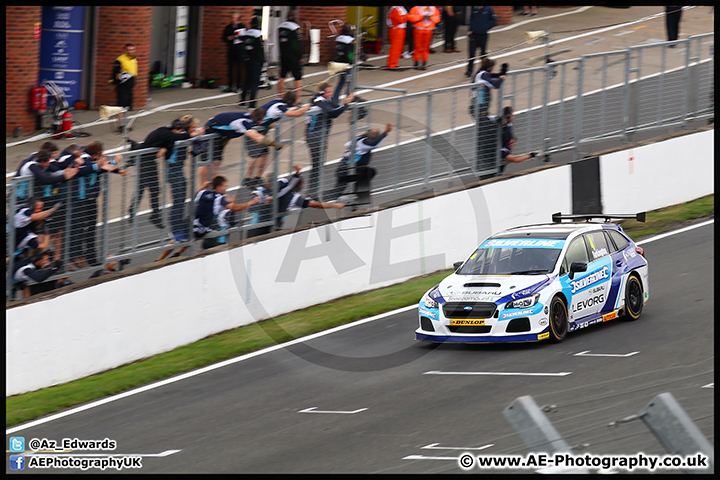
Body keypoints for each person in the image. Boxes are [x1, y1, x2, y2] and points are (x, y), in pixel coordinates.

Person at [127, 119, 206, 228]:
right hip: (143, 161)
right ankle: (132, 212)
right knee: (142, 188)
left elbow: (169, 148)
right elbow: (180, 138)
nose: (181, 133)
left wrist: (164, 148)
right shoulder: (165, 132)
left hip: (150, 161)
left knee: (155, 189)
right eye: (181, 131)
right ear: (176, 129)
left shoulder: (168, 135)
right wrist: (195, 133)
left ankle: (155, 215)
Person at [67, 141, 126, 270]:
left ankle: (91, 257)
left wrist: (117, 168)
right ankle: (76, 256)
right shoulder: (84, 159)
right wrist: (111, 163)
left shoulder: (93, 161)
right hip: (81, 200)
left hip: (91, 199)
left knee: (90, 229)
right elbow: (83, 170)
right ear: (97, 153)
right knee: (80, 228)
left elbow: (101, 169)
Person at [246, 165, 345, 238]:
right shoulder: (294, 197)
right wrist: (334, 205)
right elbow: (315, 205)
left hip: (255, 226)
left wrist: (297, 173)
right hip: (272, 228)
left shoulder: (277, 185)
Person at [243, 91, 311, 188]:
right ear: (291, 101)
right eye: (296, 100)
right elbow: (296, 114)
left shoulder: (279, 102)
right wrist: (308, 106)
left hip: (260, 131)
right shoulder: (279, 107)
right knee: (254, 155)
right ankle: (248, 179)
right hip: (253, 131)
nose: (298, 101)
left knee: (264, 154)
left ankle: (257, 178)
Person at [204, 108, 285, 186]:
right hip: (210, 131)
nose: (262, 121)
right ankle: (205, 188)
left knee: (217, 162)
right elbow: (256, 137)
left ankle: (213, 187)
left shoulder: (250, 118)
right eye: (261, 119)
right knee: (208, 162)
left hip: (220, 132)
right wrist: (274, 144)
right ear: (256, 118)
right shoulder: (242, 122)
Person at [304, 76, 355, 199]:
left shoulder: (324, 100)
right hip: (315, 136)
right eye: (329, 91)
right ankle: (312, 192)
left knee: (318, 164)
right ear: (322, 92)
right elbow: (334, 113)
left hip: (319, 136)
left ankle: (313, 191)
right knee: (317, 165)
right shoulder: (318, 101)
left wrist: (347, 103)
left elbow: (335, 107)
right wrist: (346, 104)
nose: (331, 94)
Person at [325, 123, 392, 201]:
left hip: (343, 169)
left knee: (337, 192)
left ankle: (358, 194)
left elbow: (346, 145)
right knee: (368, 173)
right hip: (350, 170)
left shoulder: (358, 138)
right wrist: (385, 132)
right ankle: (360, 195)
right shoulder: (364, 144)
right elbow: (374, 144)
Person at [193, 175, 260, 250]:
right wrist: (251, 202)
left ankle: (178, 253)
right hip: (208, 234)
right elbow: (235, 208)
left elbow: (195, 195)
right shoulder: (219, 199)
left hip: (194, 226)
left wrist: (203, 186)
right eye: (225, 186)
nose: (226, 188)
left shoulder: (203, 193)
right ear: (218, 187)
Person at [471, 57, 506, 171]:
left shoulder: (481, 73)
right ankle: (485, 162)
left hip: (481, 110)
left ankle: (485, 161)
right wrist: (502, 78)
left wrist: (502, 73)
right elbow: (495, 84)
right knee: (488, 132)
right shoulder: (482, 76)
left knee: (487, 132)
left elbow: (492, 77)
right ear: (490, 67)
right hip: (479, 110)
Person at [240, 16, 264, 109]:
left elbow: (243, 47)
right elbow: (260, 50)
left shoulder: (246, 33)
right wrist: (262, 60)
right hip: (256, 61)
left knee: (247, 81)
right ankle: (252, 103)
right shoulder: (258, 34)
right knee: (254, 82)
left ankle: (242, 100)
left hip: (247, 60)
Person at [466, 6, 497, 77]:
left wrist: (486, 27)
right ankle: (469, 70)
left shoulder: (488, 9)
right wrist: (470, 29)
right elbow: (471, 19)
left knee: (483, 53)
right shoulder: (474, 8)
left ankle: (484, 70)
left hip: (483, 34)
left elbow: (494, 21)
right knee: (471, 53)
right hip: (474, 34)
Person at [277, 10, 303, 96]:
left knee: (282, 76)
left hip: (283, 55)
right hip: (293, 57)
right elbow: (297, 44)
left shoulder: (281, 27)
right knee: (298, 77)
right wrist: (300, 56)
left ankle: (280, 96)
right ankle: (297, 99)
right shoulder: (295, 28)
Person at [408, 6, 440, 70]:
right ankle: (416, 62)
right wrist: (421, 17)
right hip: (419, 29)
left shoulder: (433, 8)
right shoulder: (416, 8)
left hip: (428, 29)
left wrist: (430, 17)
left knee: (426, 47)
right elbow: (411, 18)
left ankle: (424, 63)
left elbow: (437, 19)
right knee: (417, 46)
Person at [223, 12, 246, 93]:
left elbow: (245, 38)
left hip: (239, 49)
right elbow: (223, 38)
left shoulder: (242, 27)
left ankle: (239, 85)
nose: (233, 20)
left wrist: (239, 37)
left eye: (235, 18)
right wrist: (228, 38)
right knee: (230, 68)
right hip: (231, 49)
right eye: (232, 18)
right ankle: (230, 85)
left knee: (239, 68)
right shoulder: (228, 27)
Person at [111, 43, 138, 109]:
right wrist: (114, 83)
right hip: (122, 85)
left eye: (132, 50)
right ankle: (120, 119)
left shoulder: (134, 59)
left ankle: (126, 118)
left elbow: (133, 71)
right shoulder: (120, 60)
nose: (131, 51)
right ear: (125, 50)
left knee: (128, 105)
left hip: (130, 85)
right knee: (121, 105)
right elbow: (115, 72)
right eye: (129, 50)